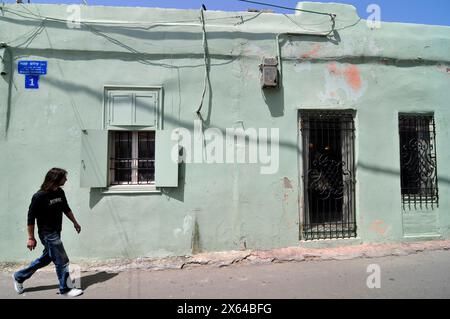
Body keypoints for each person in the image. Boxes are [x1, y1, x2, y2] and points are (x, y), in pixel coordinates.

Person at [12, 168, 83, 297]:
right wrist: (31, 237)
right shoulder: (39, 196)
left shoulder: (60, 192)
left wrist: (75, 222)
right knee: (62, 259)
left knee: (46, 259)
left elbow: (66, 208)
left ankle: (19, 276)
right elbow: (30, 218)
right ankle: (65, 289)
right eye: (64, 177)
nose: (66, 180)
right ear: (56, 179)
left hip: (56, 230)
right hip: (47, 233)